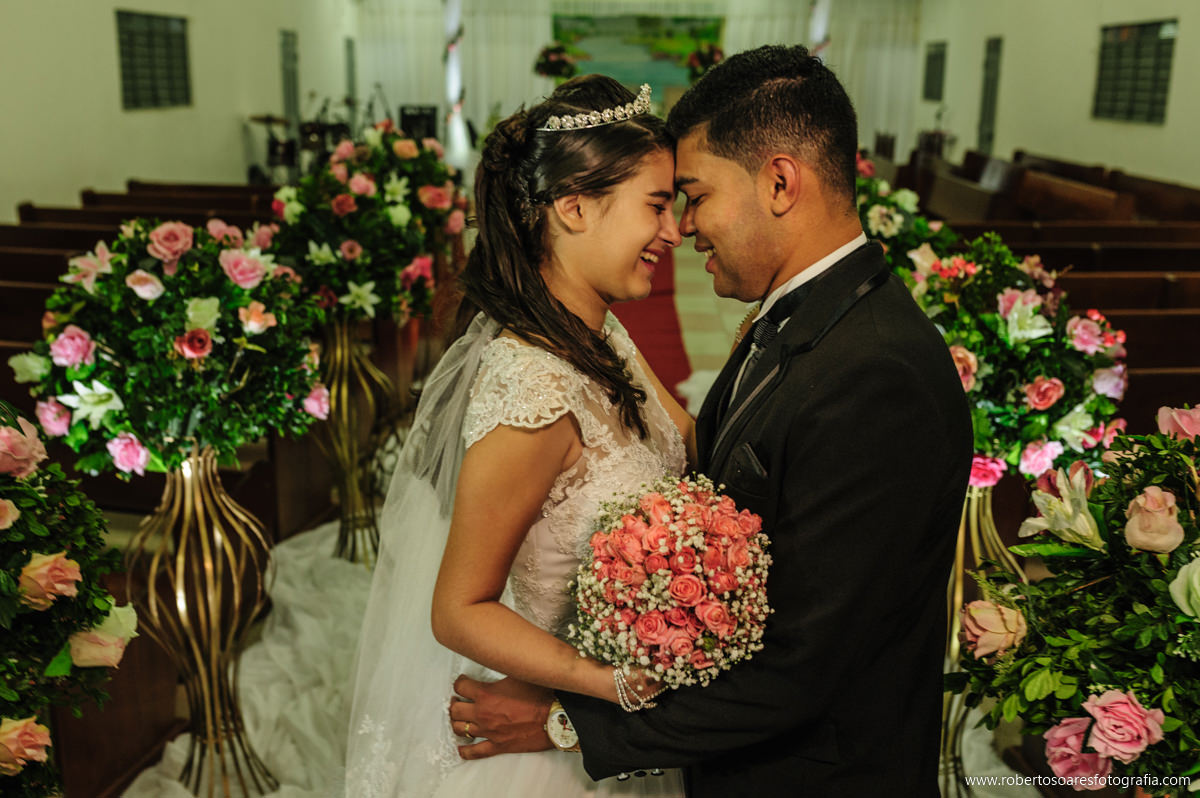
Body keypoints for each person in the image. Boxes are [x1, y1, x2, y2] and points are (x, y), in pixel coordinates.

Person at [449, 44, 974, 795]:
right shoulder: (795, 320)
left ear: (780, 182)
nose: (685, 228)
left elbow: (800, 668)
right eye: (664, 203)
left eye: (692, 195)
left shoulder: (876, 374)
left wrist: (567, 719)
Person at [341, 75, 695, 797]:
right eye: (657, 205)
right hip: (542, 746)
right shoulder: (530, 390)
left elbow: (685, 436)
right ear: (572, 207)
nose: (674, 230)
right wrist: (600, 686)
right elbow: (459, 607)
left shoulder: (602, 332)